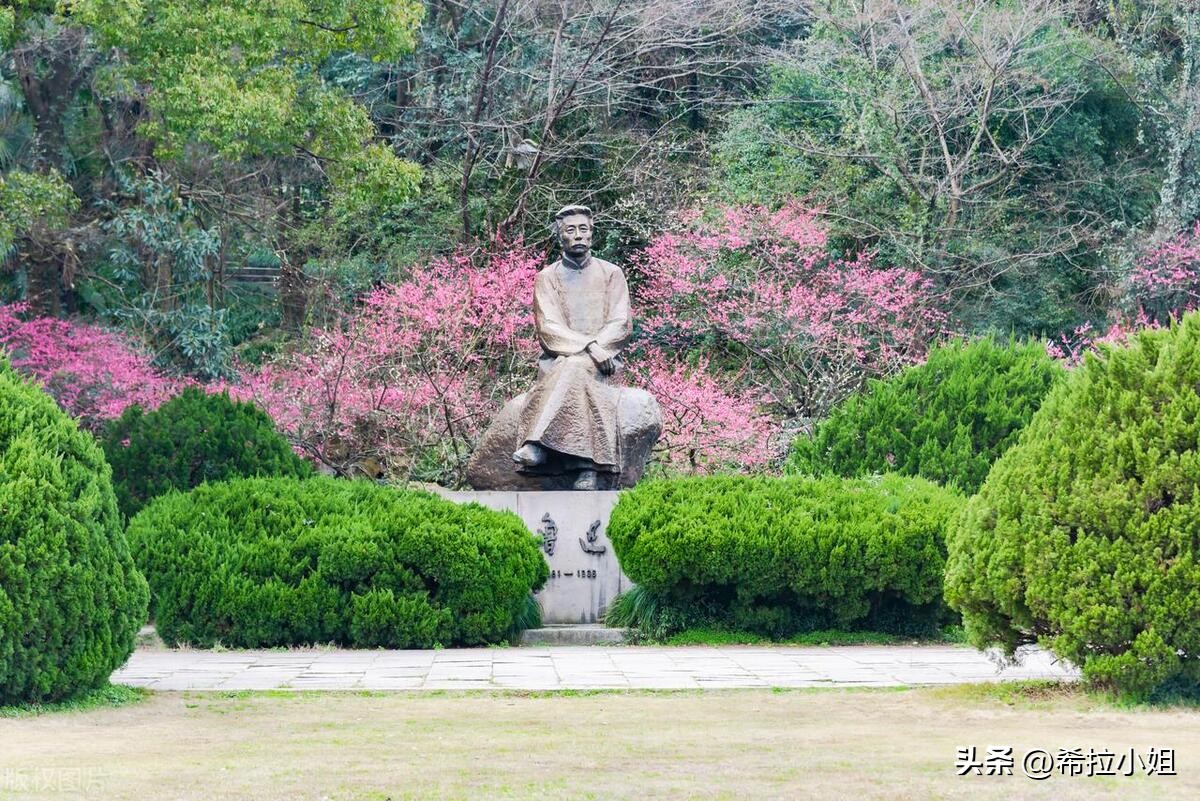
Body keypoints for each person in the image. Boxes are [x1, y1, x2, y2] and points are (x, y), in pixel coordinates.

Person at [511, 205, 632, 490]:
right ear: (559, 235)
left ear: (592, 233)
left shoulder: (612, 273)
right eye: (570, 230)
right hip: (559, 359)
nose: (578, 235)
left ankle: (537, 445)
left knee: (576, 366)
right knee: (573, 365)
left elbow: (621, 322)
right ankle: (585, 469)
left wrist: (601, 349)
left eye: (583, 229)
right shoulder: (547, 277)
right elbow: (548, 327)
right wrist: (589, 346)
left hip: (605, 361)